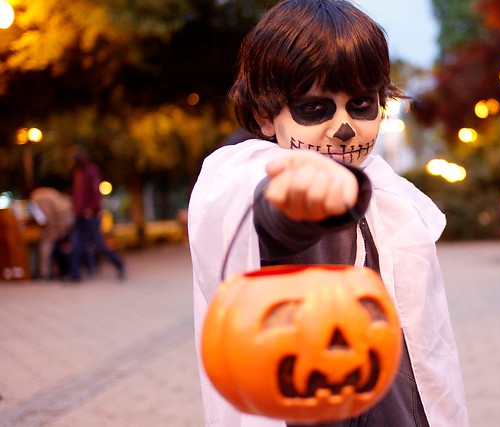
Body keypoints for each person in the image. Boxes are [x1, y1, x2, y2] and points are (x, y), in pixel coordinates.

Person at [188, 1, 468, 426]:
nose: (343, 128)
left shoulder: (385, 191)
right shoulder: (247, 178)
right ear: (266, 116)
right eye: (315, 108)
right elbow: (271, 213)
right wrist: (298, 203)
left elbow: (421, 342)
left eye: (361, 105)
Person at [69, 146, 125, 282]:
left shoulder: (91, 171)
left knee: (99, 244)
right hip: (79, 215)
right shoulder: (78, 173)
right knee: (75, 243)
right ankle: (75, 275)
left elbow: (96, 193)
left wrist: (91, 208)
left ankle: (119, 264)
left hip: (90, 216)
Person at [29, 187, 74, 279]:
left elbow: (47, 217)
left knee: (46, 245)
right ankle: (58, 271)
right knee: (60, 245)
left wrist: (53, 229)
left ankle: (45, 272)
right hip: (67, 217)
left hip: (62, 220)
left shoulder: (38, 197)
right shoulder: (46, 193)